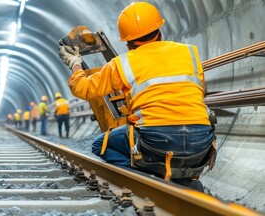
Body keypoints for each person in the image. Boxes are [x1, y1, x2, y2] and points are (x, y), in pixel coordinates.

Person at [58, 2, 216, 191]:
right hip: (201, 143)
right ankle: (182, 182)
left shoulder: (122, 64)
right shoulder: (190, 53)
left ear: (127, 42)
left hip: (156, 142)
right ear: (159, 29)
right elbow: (200, 92)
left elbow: (83, 88)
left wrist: (74, 62)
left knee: (101, 145)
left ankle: (148, 182)